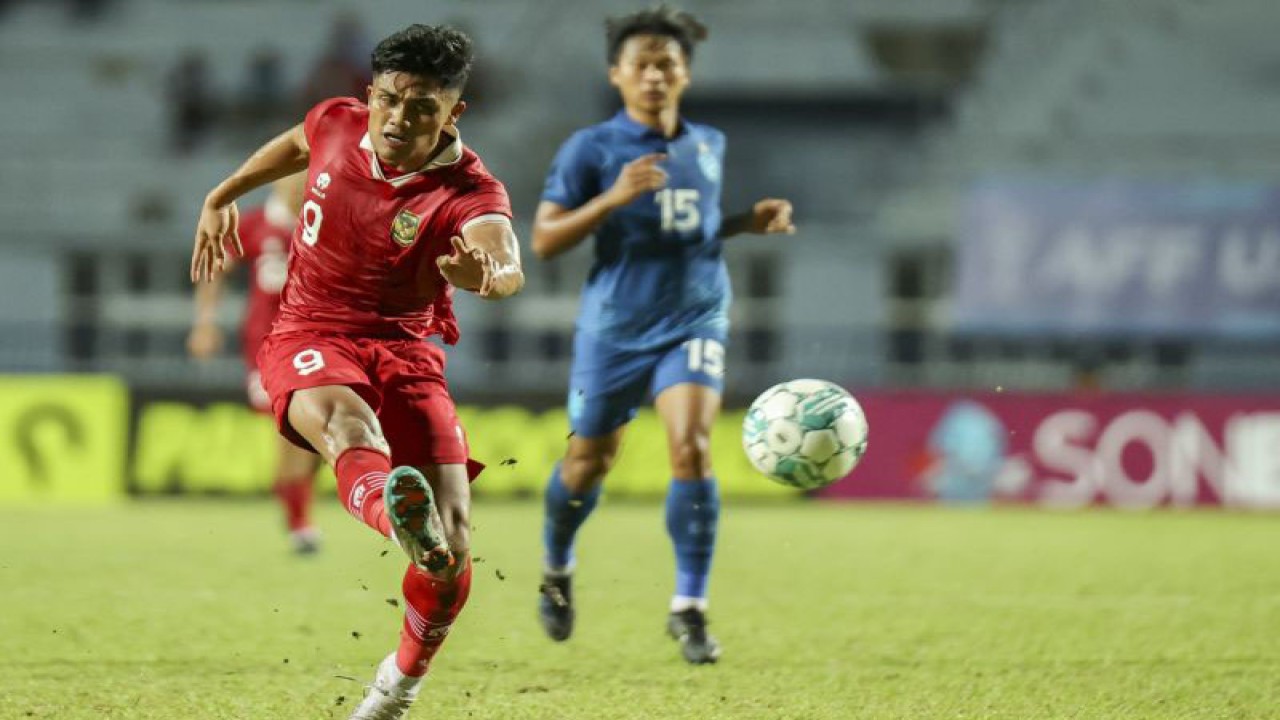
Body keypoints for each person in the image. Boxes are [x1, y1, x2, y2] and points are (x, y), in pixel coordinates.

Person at [189, 24, 522, 719]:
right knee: (345, 423)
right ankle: (394, 517)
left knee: (453, 555)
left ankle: (398, 683)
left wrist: (487, 277)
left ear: (453, 113)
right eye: (391, 100)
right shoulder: (337, 121)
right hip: (309, 332)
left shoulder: (471, 189)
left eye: (423, 107)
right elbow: (295, 144)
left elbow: (506, 261)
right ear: (370, 94)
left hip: (408, 355)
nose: (401, 119)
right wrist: (225, 190)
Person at [531, 4, 795, 665]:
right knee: (588, 464)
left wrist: (742, 224)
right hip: (615, 327)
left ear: (685, 74)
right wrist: (609, 200)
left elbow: (691, 226)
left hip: (696, 314)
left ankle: (689, 607)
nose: (654, 75)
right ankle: (557, 566)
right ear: (616, 73)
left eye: (667, 65)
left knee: (693, 446)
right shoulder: (591, 149)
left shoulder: (708, 143)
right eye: (642, 65)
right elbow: (542, 241)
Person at [186, 172, 324, 555]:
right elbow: (215, 269)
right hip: (268, 348)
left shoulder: (325, 223)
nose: (298, 188)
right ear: (276, 184)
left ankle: (291, 495)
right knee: (294, 431)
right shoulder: (254, 224)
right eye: (292, 181)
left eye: (306, 182)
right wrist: (205, 323)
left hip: (321, 344)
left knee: (319, 438)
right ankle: (300, 523)